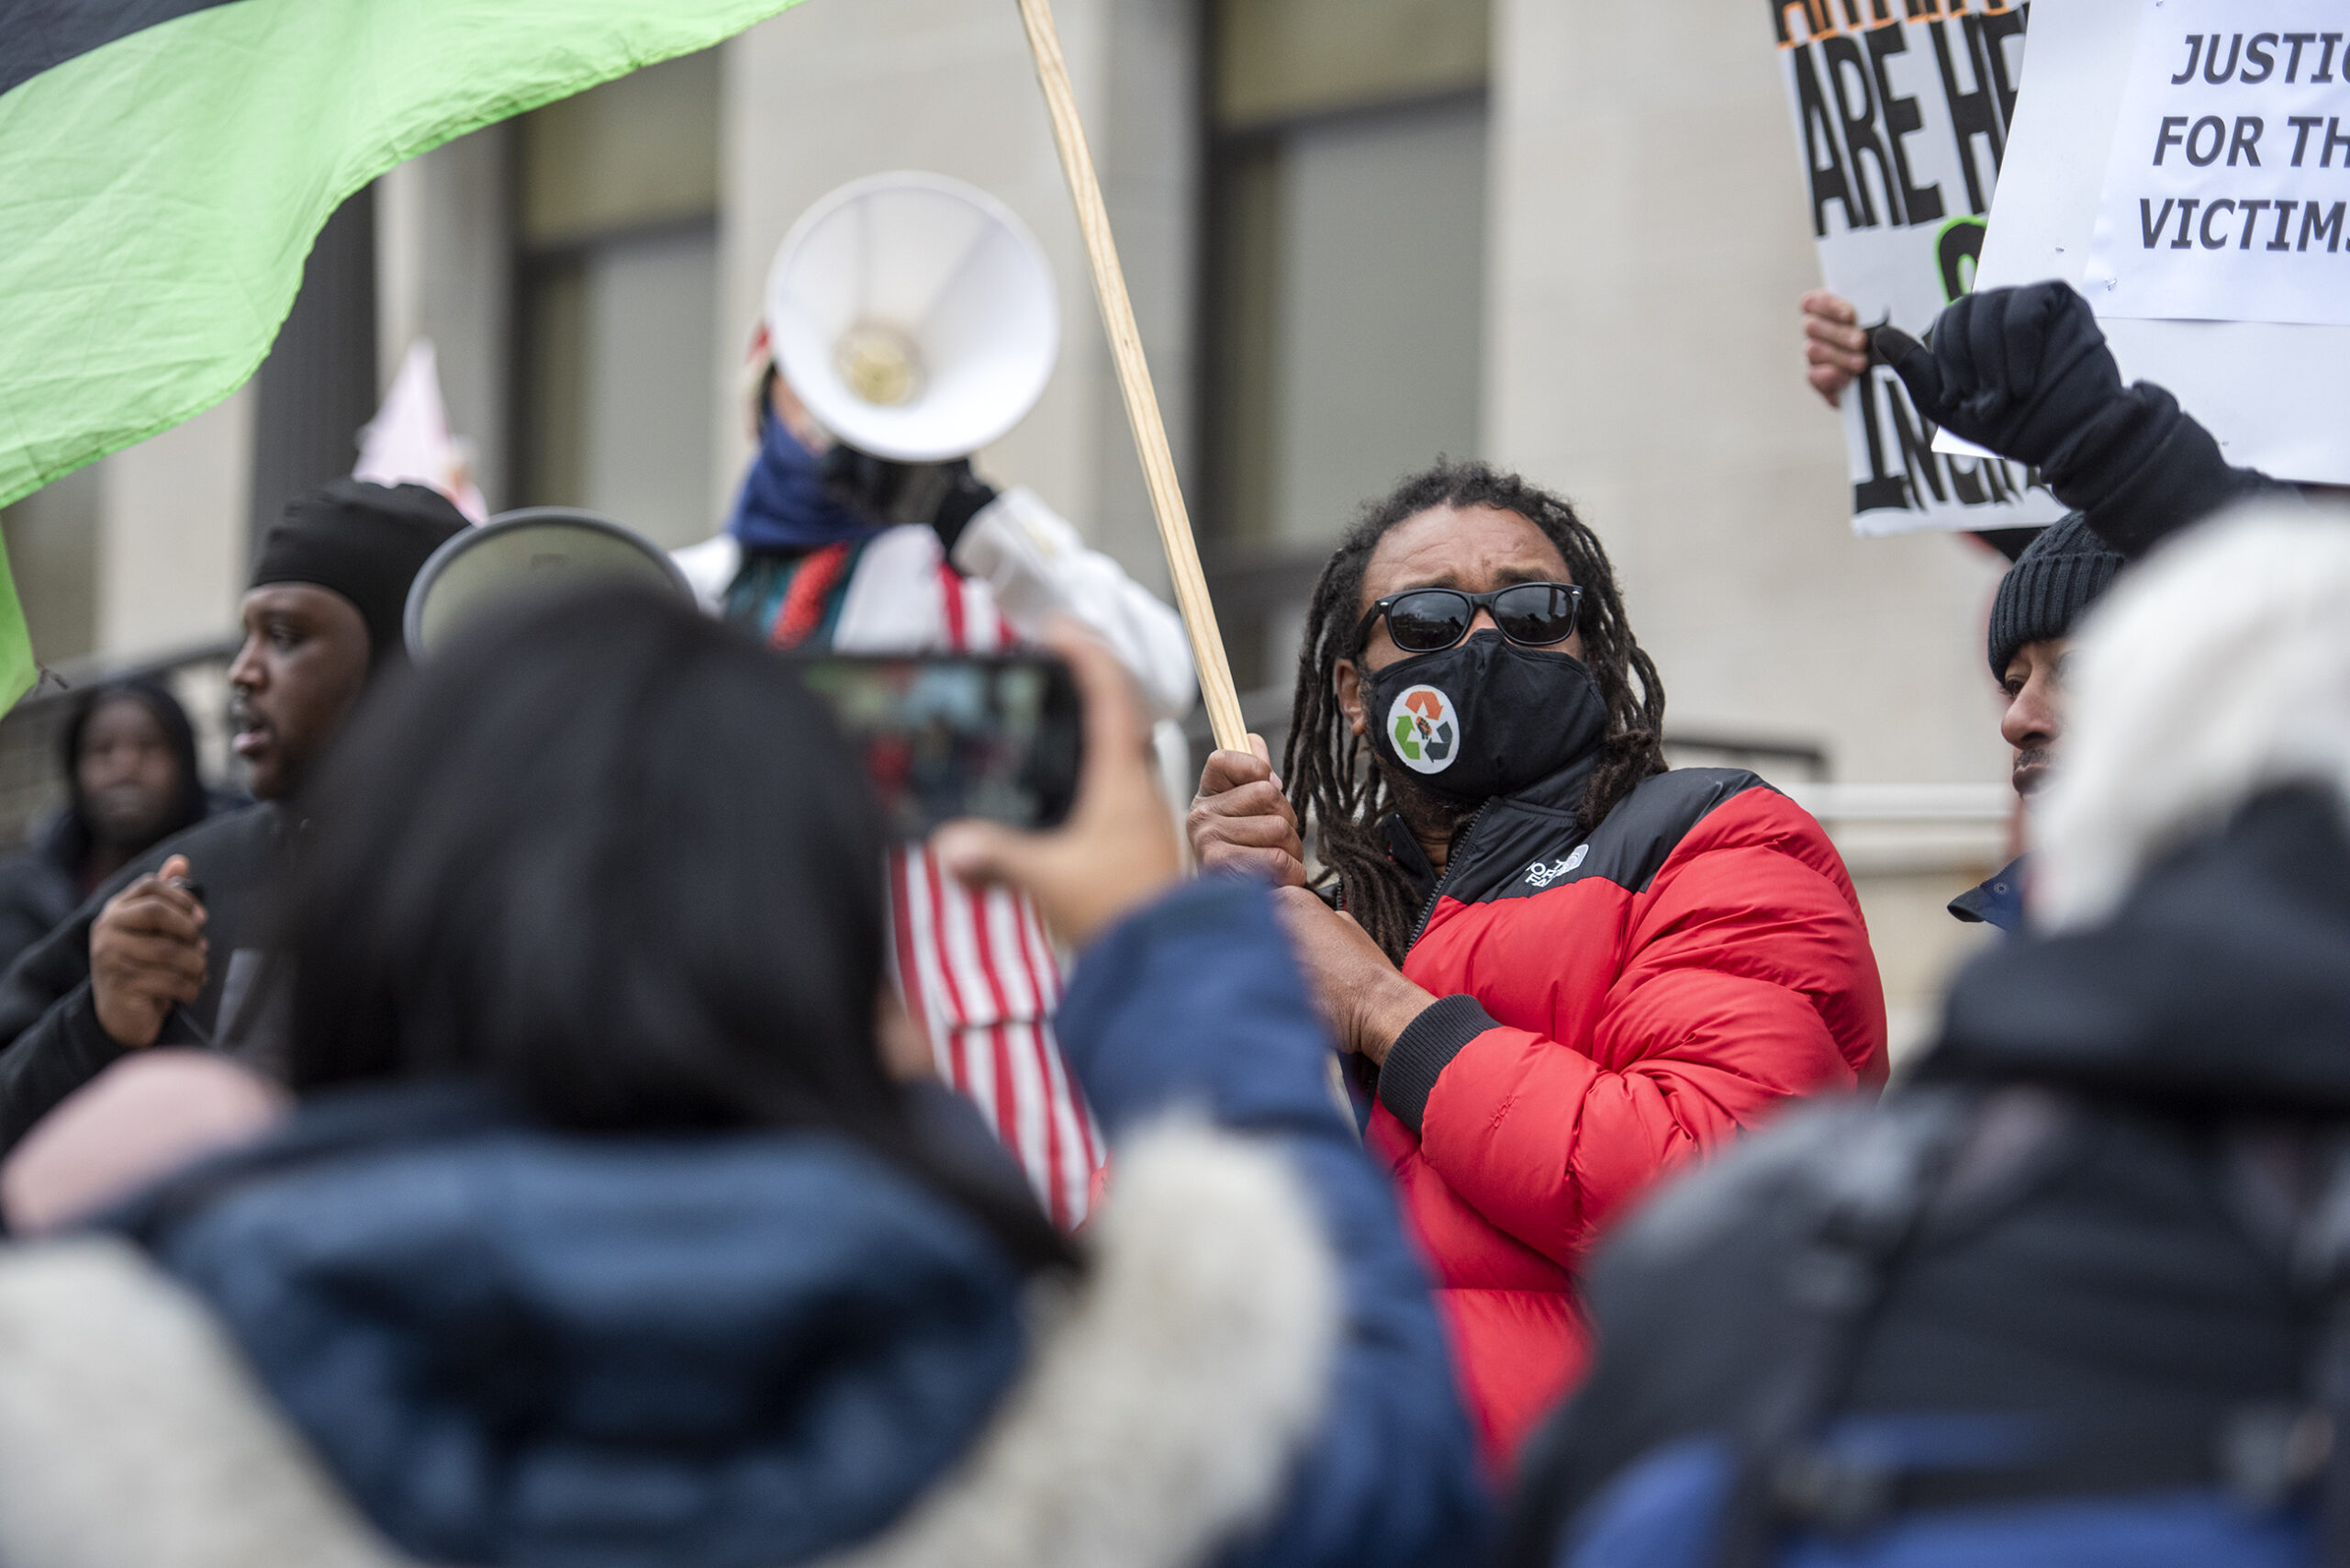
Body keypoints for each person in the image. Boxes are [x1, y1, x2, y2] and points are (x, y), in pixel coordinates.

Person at [0, 588, 1488, 1568]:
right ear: (846, 961)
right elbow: (1376, 1442)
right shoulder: (1140, 1443)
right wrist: (1159, 937)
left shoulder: (57, 1424)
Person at [1499, 502, 2350, 1568]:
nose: (2017, 719)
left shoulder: (1746, 1254)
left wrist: (1400, 1024)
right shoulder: (1794, 1240)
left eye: (2079, 672)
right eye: (2011, 678)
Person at [1188, 459, 1888, 1468]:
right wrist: (1215, 946)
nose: (1482, 641)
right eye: (1428, 621)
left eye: (1531, 609)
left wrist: (1387, 1012)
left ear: (1591, 648)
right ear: (1352, 691)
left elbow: (1722, 1195)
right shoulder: (1326, 918)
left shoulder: (1717, 841)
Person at [672, 295, 1196, 1228]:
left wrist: (974, 515)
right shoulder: (693, 587)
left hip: (979, 1044)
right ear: (763, 400)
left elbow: (1158, 672)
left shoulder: (982, 570)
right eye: (817, 381)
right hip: (758, 1025)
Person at [0, 479, 466, 1151]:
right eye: (244, 637)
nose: (242, 672)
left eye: (284, 637)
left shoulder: (533, 892)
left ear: (402, 658)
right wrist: (96, 1025)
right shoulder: (183, 888)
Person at [0, 679, 213, 974]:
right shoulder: (24, 896)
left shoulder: (233, 878)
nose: (125, 767)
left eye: (148, 746)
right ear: (74, 772)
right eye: (102, 749)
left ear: (185, 764)